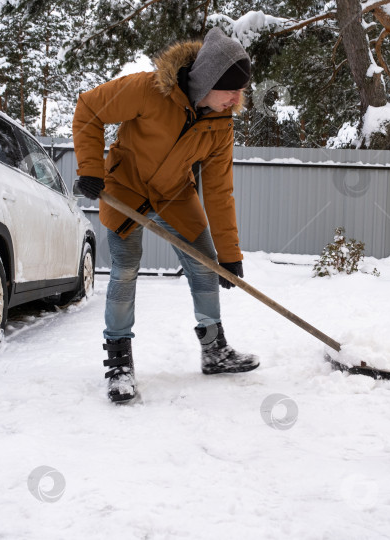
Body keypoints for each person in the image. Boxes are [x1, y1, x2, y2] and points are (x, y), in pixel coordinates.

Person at [72, 28, 259, 404]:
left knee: (206, 264)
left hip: (174, 192)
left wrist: (229, 253)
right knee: (125, 268)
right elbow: (89, 108)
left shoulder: (221, 124)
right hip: (125, 187)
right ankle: (119, 360)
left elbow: (220, 191)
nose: (238, 99)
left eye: (241, 90)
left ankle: (214, 350)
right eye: (232, 90)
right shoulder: (147, 90)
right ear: (207, 82)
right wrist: (91, 169)